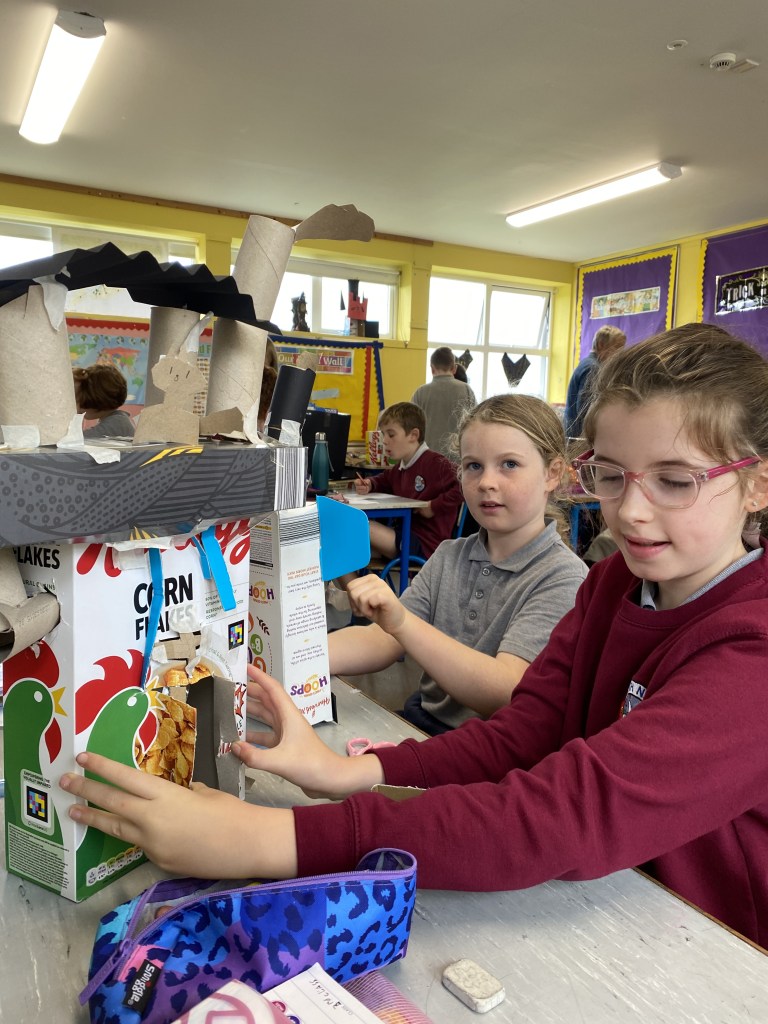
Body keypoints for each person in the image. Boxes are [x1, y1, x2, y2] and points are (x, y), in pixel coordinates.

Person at [60, 324, 768, 947]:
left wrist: (265, 838)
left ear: (758, 484)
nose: (633, 512)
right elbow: (524, 734)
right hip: (596, 903)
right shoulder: (612, 584)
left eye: (676, 481)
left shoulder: (752, 651)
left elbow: (569, 812)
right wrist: (357, 773)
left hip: (708, 948)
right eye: (611, 476)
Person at [330, 394, 588, 734]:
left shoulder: (563, 578)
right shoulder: (449, 555)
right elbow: (382, 639)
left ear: (552, 474)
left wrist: (404, 623)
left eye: (509, 464)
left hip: (495, 747)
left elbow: (506, 689)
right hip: (422, 721)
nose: (486, 482)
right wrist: (296, 660)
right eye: (473, 466)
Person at [352, 402, 463, 565]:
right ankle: (355, 583)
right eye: (383, 434)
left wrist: (434, 506)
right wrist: (369, 483)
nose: (385, 441)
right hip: (402, 537)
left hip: (426, 545)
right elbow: (384, 480)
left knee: (356, 524)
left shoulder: (436, 463)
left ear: (413, 435)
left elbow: (465, 484)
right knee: (343, 551)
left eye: (391, 435)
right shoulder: (401, 467)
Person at [411, 347, 476, 459]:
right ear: (454, 368)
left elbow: (410, 427)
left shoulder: (420, 393)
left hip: (427, 459)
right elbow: (475, 424)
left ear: (432, 369)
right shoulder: (466, 390)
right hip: (458, 458)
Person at [563, 325, 626, 439]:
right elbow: (586, 410)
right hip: (580, 437)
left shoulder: (587, 363)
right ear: (601, 345)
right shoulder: (593, 368)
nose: (620, 354)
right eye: (617, 348)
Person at [73, 364, 135, 439]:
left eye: (79, 401)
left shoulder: (116, 423)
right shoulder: (116, 419)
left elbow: (73, 440)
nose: (76, 408)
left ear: (96, 401)